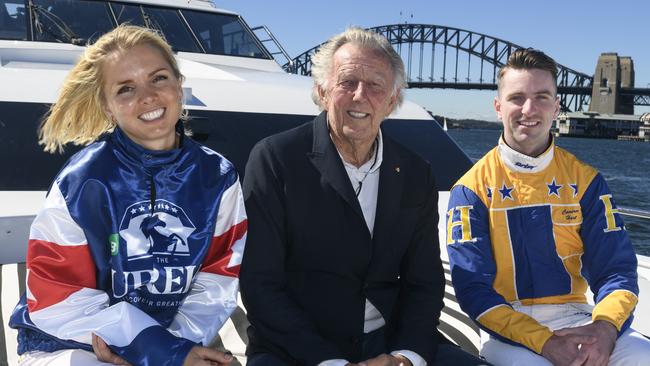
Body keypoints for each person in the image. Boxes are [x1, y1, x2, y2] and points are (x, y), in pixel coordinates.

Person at [240, 27, 487, 366]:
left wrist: (406, 355)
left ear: (392, 99)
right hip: (296, 348)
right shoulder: (275, 160)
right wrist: (330, 361)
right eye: (347, 82)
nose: (360, 96)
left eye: (375, 85)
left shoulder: (416, 172)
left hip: (389, 342)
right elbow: (259, 285)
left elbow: (425, 283)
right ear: (322, 90)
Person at [9, 25, 247, 366]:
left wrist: (170, 350)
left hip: (172, 343)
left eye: (159, 78)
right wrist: (150, 349)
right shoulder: (83, 181)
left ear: (179, 85)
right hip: (68, 342)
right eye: (126, 89)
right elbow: (57, 298)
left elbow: (217, 278)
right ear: (107, 105)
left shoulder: (218, 177)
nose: (147, 97)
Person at [446, 48, 650, 366]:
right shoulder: (471, 190)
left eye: (542, 97)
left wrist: (606, 327)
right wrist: (545, 342)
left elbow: (617, 270)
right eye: (517, 98)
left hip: (578, 315)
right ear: (498, 107)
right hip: (506, 328)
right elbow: (474, 290)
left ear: (556, 107)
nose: (529, 109)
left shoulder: (587, 181)